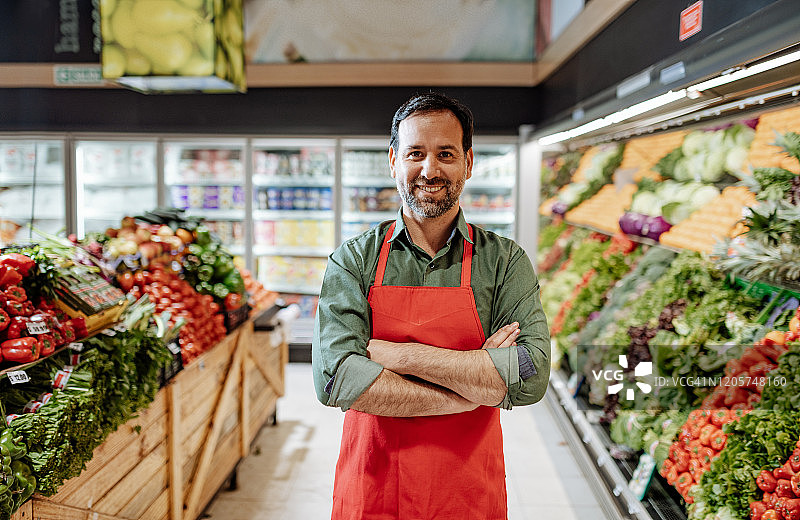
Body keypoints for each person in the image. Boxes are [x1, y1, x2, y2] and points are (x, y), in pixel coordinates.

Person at [312, 92, 550, 519]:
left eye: (446, 154)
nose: (430, 170)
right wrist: (473, 385)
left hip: (467, 491)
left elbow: (529, 375)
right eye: (415, 153)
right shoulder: (354, 260)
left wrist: (394, 354)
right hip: (373, 488)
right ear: (393, 160)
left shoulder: (503, 262)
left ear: (468, 162)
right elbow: (336, 381)